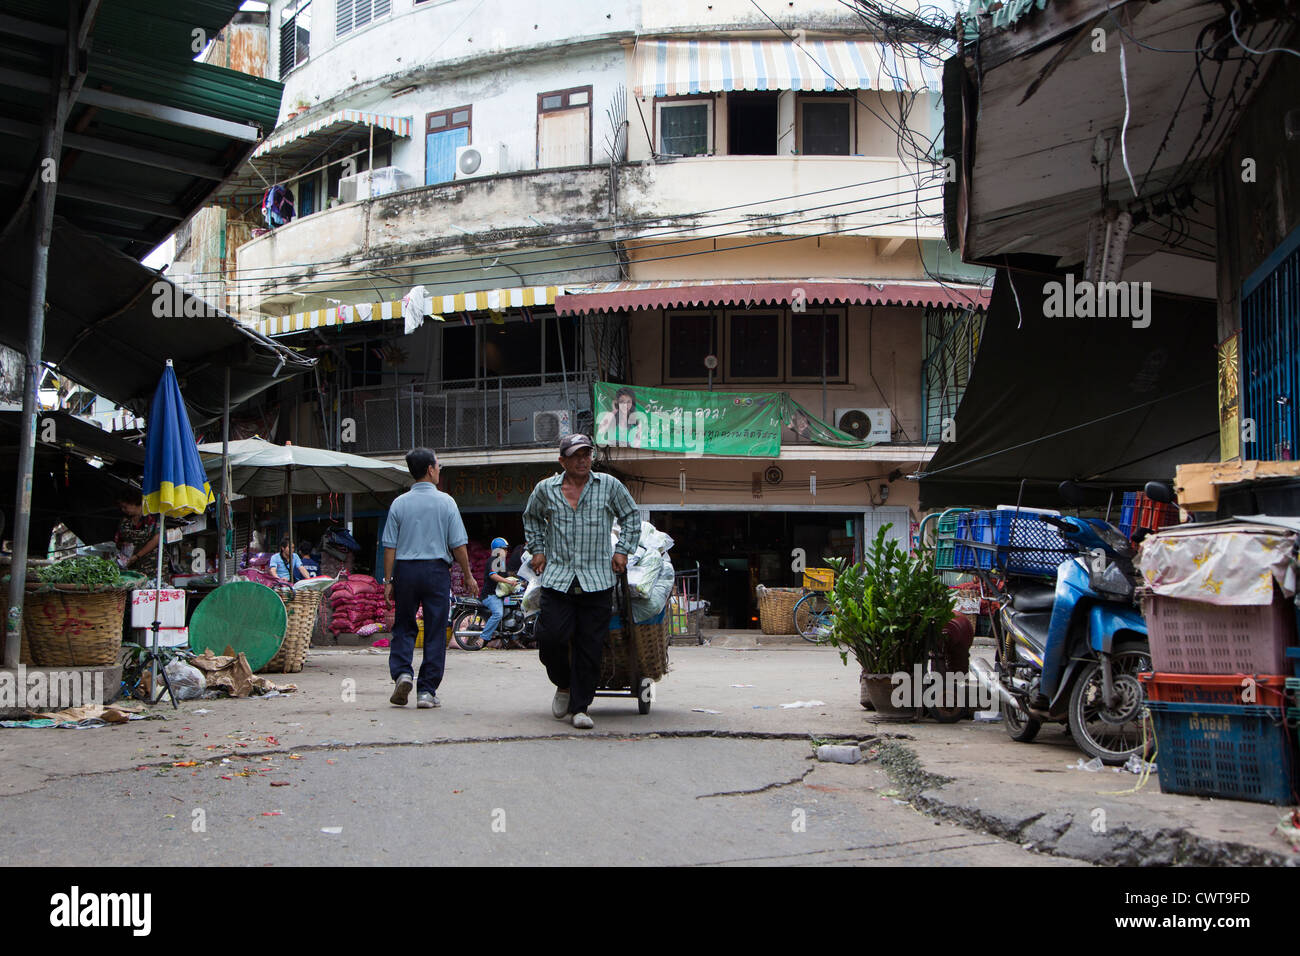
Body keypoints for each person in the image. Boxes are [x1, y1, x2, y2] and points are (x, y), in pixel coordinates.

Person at [523, 433, 641, 729]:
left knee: (590, 646)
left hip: (597, 580)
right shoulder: (545, 490)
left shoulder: (609, 486)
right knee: (551, 639)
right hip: (558, 579)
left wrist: (623, 551)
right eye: (575, 456)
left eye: (586, 454)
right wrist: (537, 549)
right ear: (562, 461)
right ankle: (563, 684)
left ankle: (580, 707)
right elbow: (532, 518)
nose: (583, 460)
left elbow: (631, 516)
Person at [382, 447, 477, 709]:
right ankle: (426, 691)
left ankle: (402, 673)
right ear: (429, 470)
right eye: (438, 467)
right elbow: (458, 545)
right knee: (435, 630)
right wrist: (468, 576)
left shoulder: (399, 503)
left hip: (406, 572)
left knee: (404, 626)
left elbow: (389, 546)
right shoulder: (446, 502)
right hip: (436, 572)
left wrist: (388, 581)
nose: (439, 471)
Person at [479, 535, 522, 648]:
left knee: (515, 607)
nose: (506, 551)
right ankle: (483, 638)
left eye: (507, 549)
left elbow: (506, 576)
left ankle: (512, 639)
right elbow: (493, 576)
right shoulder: (494, 560)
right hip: (490, 596)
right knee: (498, 613)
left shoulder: (501, 562)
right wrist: (509, 582)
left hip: (499, 595)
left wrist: (520, 579)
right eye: (504, 549)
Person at [114, 489, 159, 570]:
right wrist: (123, 545)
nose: (123, 510)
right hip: (131, 565)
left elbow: (156, 539)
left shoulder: (152, 516)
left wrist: (137, 556)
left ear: (134, 503)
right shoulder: (124, 520)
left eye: (125, 507)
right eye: (121, 507)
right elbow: (118, 540)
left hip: (152, 565)